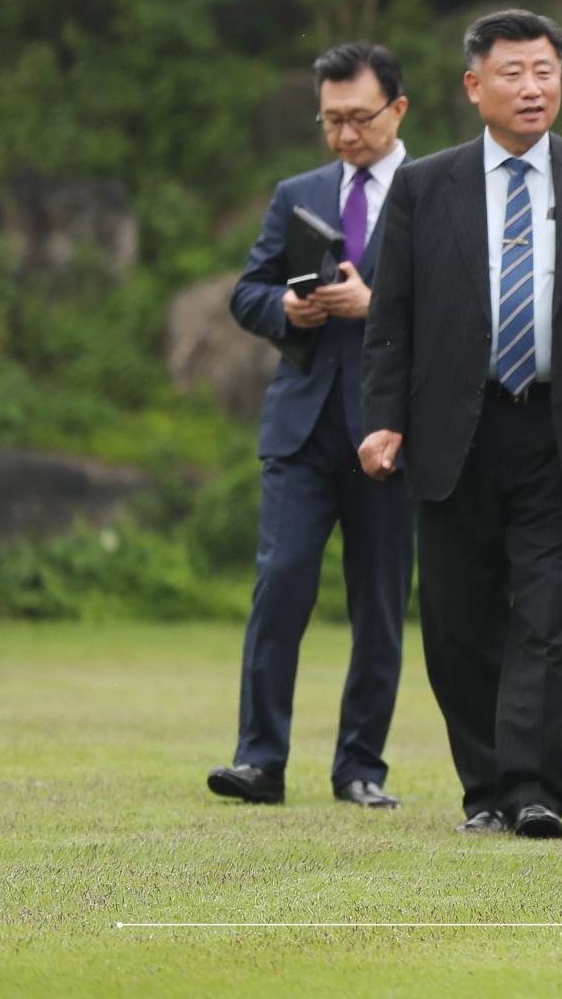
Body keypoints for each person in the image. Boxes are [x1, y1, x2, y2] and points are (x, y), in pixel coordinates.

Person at [359, 9, 562, 839]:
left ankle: (535, 789)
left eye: (546, 71)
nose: (533, 87)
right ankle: (483, 785)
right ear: (475, 86)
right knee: (459, 619)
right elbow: (392, 318)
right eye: (513, 72)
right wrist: (382, 420)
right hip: (455, 427)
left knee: (548, 611)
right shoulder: (424, 187)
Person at [209, 43, 416, 809]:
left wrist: (377, 305)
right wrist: (287, 310)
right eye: (331, 121)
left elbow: (464, 308)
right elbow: (247, 291)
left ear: (397, 109)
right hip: (300, 427)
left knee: (380, 606)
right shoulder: (298, 190)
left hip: (392, 431)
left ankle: (360, 767)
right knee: (281, 584)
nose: (344, 136)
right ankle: (259, 760)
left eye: (359, 118)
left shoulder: (434, 192)